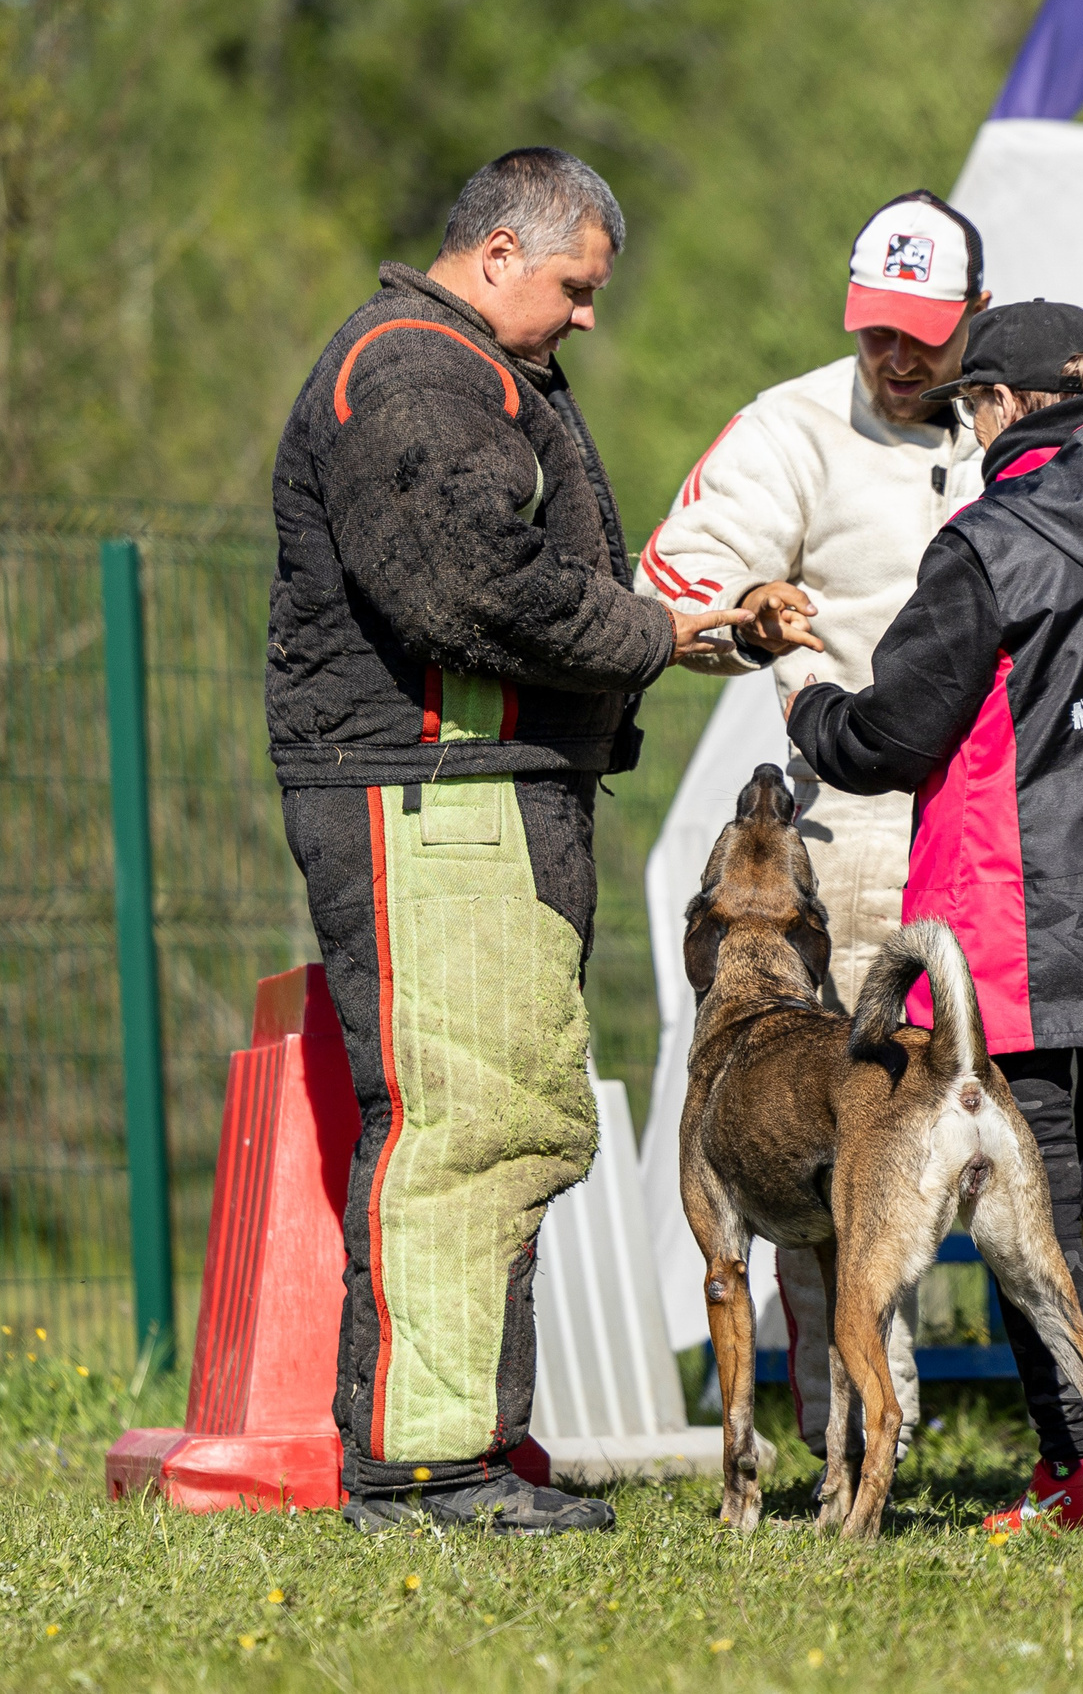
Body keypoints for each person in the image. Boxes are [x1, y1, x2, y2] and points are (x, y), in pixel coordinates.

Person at [268, 146, 746, 1536]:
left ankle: (474, 1436)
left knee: (516, 1114)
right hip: (432, 793)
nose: (590, 315)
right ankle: (427, 1471)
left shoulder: (465, 368)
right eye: (576, 286)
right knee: (463, 1122)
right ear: (498, 257)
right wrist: (655, 628)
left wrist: (664, 635)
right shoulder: (415, 374)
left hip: (480, 790)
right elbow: (469, 586)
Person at [786, 300, 1083, 1533]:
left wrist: (809, 708)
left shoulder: (987, 539)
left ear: (1002, 405)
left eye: (970, 405)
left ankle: (1076, 1470)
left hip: (1021, 916)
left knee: (1031, 1196)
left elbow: (891, 736)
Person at [632, 190, 991, 1466]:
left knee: (1022, 1125)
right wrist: (747, 612)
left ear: (976, 321)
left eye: (923, 335)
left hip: (1016, 819)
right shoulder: (787, 427)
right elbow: (666, 586)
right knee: (836, 1141)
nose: (895, 358)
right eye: (873, 330)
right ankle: (851, 1435)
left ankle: (1074, 1438)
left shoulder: (1027, 421)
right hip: (862, 828)